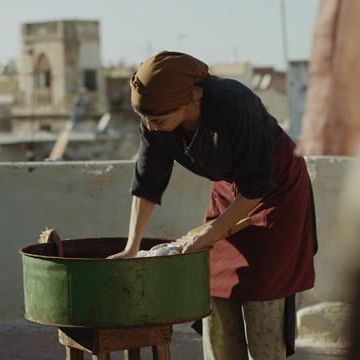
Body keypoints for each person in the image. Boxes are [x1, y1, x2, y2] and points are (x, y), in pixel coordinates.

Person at [109, 51, 317, 359]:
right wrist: (132, 245)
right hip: (227, 193)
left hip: (275, 191)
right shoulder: (155, 122)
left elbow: (258, 184)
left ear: (189, 100)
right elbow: (147, 184)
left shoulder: (234, 102)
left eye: (157, 120)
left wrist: (210, 234)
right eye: (146, 120)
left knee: (264, 288)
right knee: (216, 288)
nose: (151, 128)